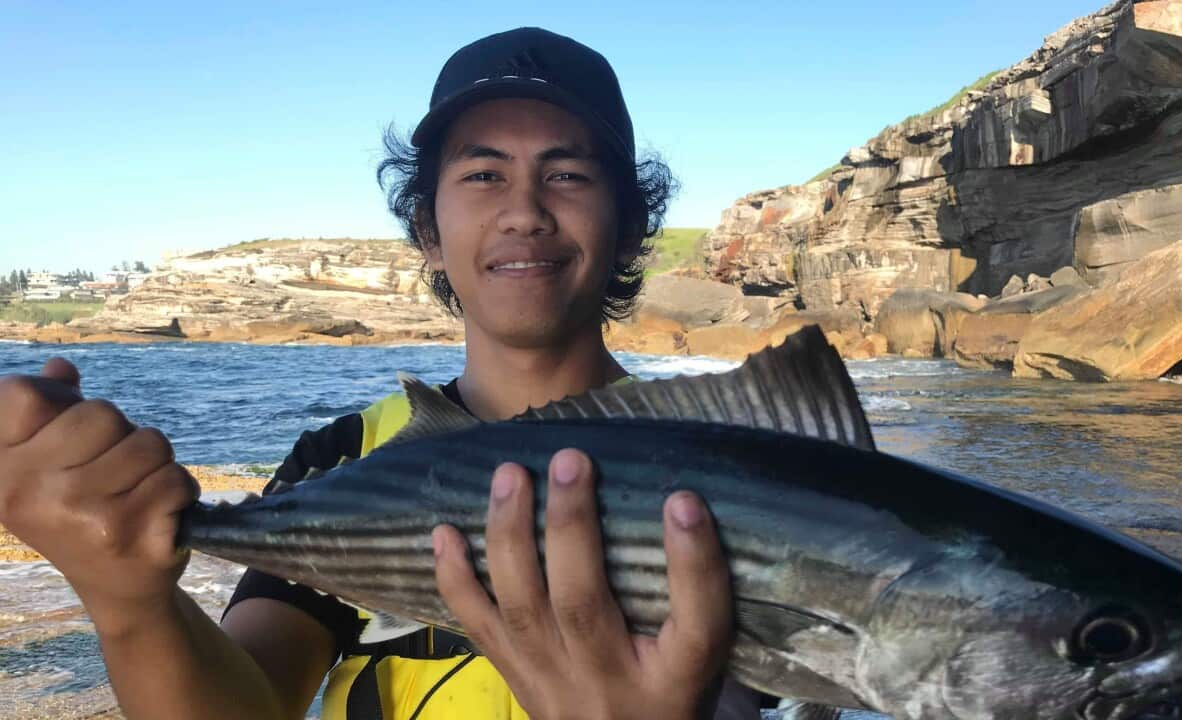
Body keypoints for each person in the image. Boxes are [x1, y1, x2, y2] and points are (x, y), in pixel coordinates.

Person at [0, 27, 757, 720]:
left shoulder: (727, 463)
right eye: (484, 176)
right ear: (428, 231)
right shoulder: (343, 456)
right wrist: (130, 604)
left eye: (566, 175)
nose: (524, 212)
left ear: (628, 229)